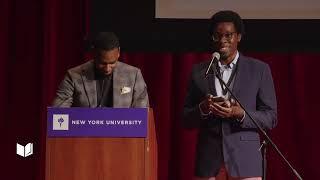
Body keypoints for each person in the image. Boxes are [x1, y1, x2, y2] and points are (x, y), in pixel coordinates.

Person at [183, 10, 277, 180]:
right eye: (217, 35)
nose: (222, 41)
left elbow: (270, 117)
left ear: (239, 37)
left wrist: (239, 113)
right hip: (209, 162)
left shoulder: (259, 70)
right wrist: (203, 108)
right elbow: (186, 118)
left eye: (228, 35)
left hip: (245, 161)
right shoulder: (199, 72)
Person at [52, 32, 149, 108]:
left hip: (122, 133)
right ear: (94, 53)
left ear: (118, 52)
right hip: (85, 132)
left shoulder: (134, 75)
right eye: (102, 63)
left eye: (112, 63)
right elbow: (58, 110)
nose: (107, 69)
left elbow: (142, 115)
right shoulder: (74, 75)